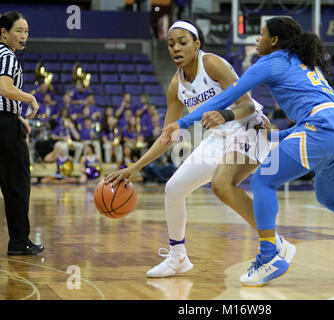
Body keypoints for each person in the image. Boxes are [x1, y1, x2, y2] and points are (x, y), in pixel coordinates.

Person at [163, 16, 334, 287]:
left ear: (274, 41)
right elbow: (311, 117)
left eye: (262, 34)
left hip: (323, 127)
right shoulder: (304, 63)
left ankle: (270, 256)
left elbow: (228, 96)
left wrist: (182, 122)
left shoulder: (270, 61)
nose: (257, 40)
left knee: (263, 180)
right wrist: (277, 136)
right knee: (329, 197)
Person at [106, 20, 296, 278]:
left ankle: (276, 244)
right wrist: (136, 167)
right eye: (171, 44)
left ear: (197, 44)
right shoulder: (176, 86)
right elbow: (169, 134)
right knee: (173, 189)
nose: (176, 48)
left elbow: (248, 106)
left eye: (183, 42)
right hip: (219, 137)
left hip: (250, 128)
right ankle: (178, 257)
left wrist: (225, 114)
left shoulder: (212, 64)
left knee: (221, 185)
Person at [0, 11, 44, 255]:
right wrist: (30, 99)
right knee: (17, 185)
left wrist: (15, 113)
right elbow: (5, 89)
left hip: (6, 119)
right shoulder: (7, 55)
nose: (24, 35)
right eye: (19, 30)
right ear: (4, 32)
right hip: (5, 129)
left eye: (26, 31)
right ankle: (19, 241)